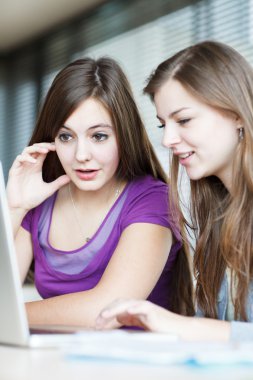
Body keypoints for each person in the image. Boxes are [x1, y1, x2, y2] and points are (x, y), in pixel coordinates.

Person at [6, 57, 192, 328]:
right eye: (66, 137)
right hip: (51, 365)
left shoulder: (152, 200)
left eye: (99, 136)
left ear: (123, 135)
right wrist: (15, 208)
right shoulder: (39, 203)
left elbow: (107, 310)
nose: (81, 155)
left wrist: (11, 314)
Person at [96, 41, 253, 341]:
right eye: (162, 125)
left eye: (183, 120)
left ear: (236, 114)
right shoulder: (218, 214)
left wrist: (178, 324)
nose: (168, 139)